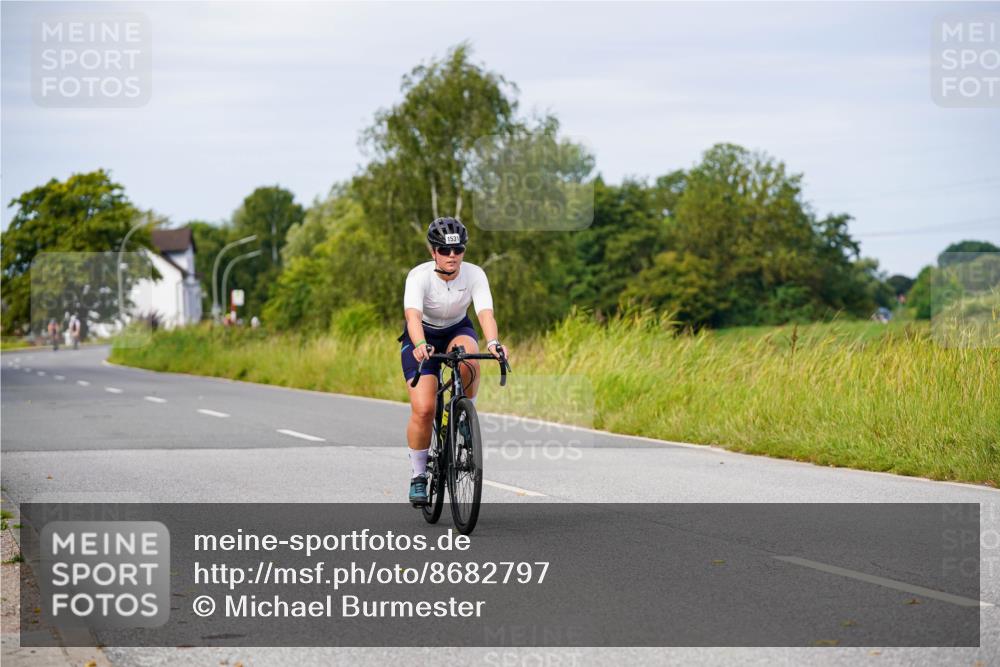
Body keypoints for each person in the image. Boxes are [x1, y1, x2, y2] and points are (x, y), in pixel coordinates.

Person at [400, 217, 508, 505]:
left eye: (457, 250)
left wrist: (494, 342)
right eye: (445, 251)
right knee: (424, 409)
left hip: (457, 329)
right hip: (422, 335)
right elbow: (412, 316)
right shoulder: (418, 276)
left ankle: (462, 413)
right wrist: (420, 344)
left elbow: (485, 313)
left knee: (470, 358)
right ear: (433, 251)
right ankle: (419, 475)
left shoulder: (474, 274)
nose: (452, 257)